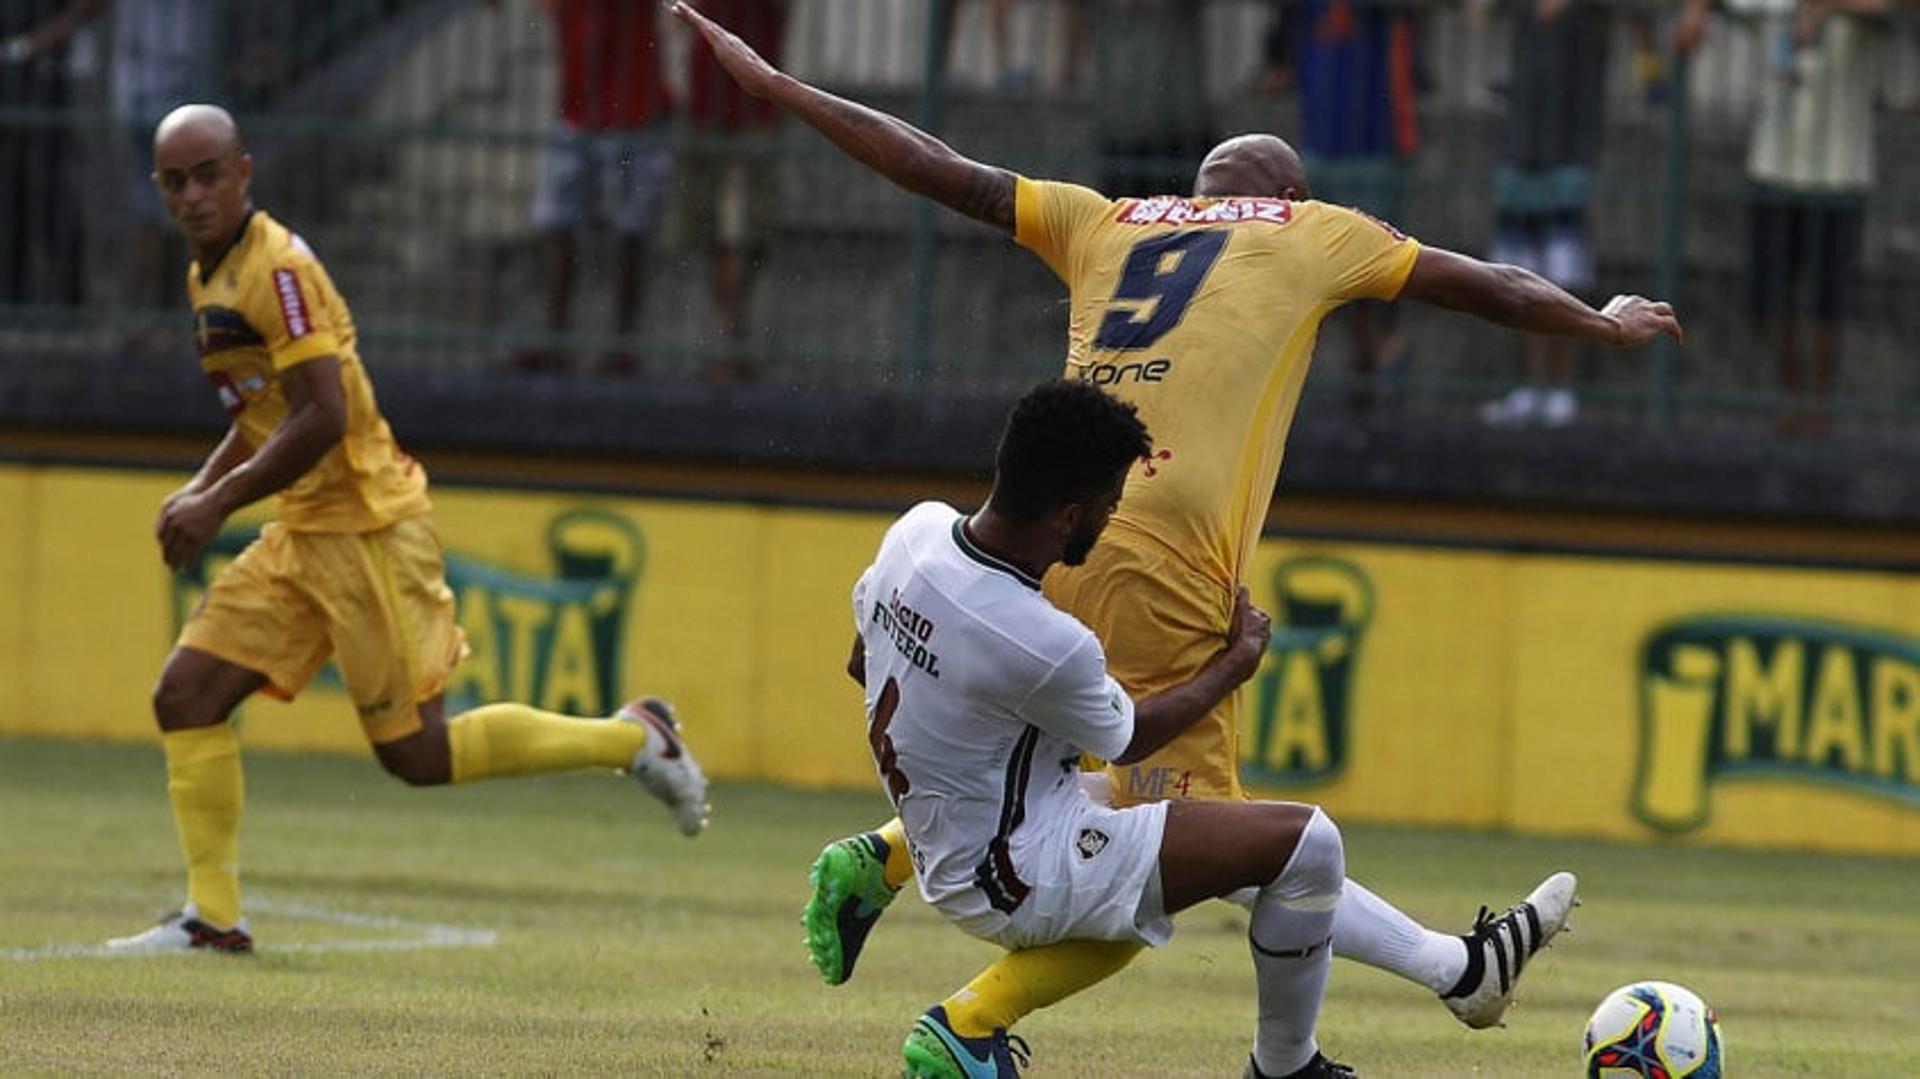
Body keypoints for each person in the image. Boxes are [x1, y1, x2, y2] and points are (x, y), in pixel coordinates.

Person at [674, 3, 1674, 1072]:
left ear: (1192, 195)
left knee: (1126, 808)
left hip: (1053, 539)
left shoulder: (1103, 219)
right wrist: (1598, 321)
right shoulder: (1315, 230)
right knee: (1191, 840)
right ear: (1286, 196)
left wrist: (784, 90)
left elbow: (938, 167)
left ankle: (887, 860)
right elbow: (1487, 285)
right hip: (1165, 567)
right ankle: (981, 1023)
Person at [104, 104, 709, 956]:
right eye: (178, 181)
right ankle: (213, 918)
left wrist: (218, 504)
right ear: (161, 189)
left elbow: (322, 414)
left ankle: (634, 737)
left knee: (416, 754)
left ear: (245, 171)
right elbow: (261, 415)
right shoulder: (210, 275)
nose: (196, 194)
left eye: (210, 174)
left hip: (366, 528)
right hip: (305, 530)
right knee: (187, 694)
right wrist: (200, 490)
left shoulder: (275, 270)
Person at [852, 377, 1356, 1079]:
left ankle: (880, 861)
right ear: (1068, 515)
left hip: (958, 829)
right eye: (1112, 502)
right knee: (1308, 842)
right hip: (1014, 870)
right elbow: (1132, 736)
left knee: (1144, 868)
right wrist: (1236, 663)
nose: (1115, 516)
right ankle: (1284, 1068)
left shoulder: (917, 531)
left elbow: (861, 660)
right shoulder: (1043, 639)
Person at [1677, 0, 1889, 436]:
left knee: (1830, 302)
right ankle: (1792, 397)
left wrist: (1830, 8)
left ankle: (1820, 406)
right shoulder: (1775, 6)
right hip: (1774, 168)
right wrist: (1695, 10)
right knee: (1770, 299)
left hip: (1839, 174)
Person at [1263, 0, 1424, 415]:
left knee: (1379, 272)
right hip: (1321, 134)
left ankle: (1379, 373)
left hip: (1374, 136)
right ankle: (1353, 381)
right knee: (1316, 275)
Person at [1471, 0, 1612, 428]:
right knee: (1521, 276)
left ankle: (1560, 387)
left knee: (1563, 276)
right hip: (1523, 146)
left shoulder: (1588, 19)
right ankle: (1531, 386)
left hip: (1566, 150)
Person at [522, 0, 674, 374]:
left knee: (630, 233)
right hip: (579, 110)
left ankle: (622, 344)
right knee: (556, 224)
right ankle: (557, 338)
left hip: (632, 112)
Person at [682, 0, 787, 380]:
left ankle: (730, 334)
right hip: (708, 103)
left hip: (754, 108)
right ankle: (731, 332)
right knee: (714, 232)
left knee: (744, 233)